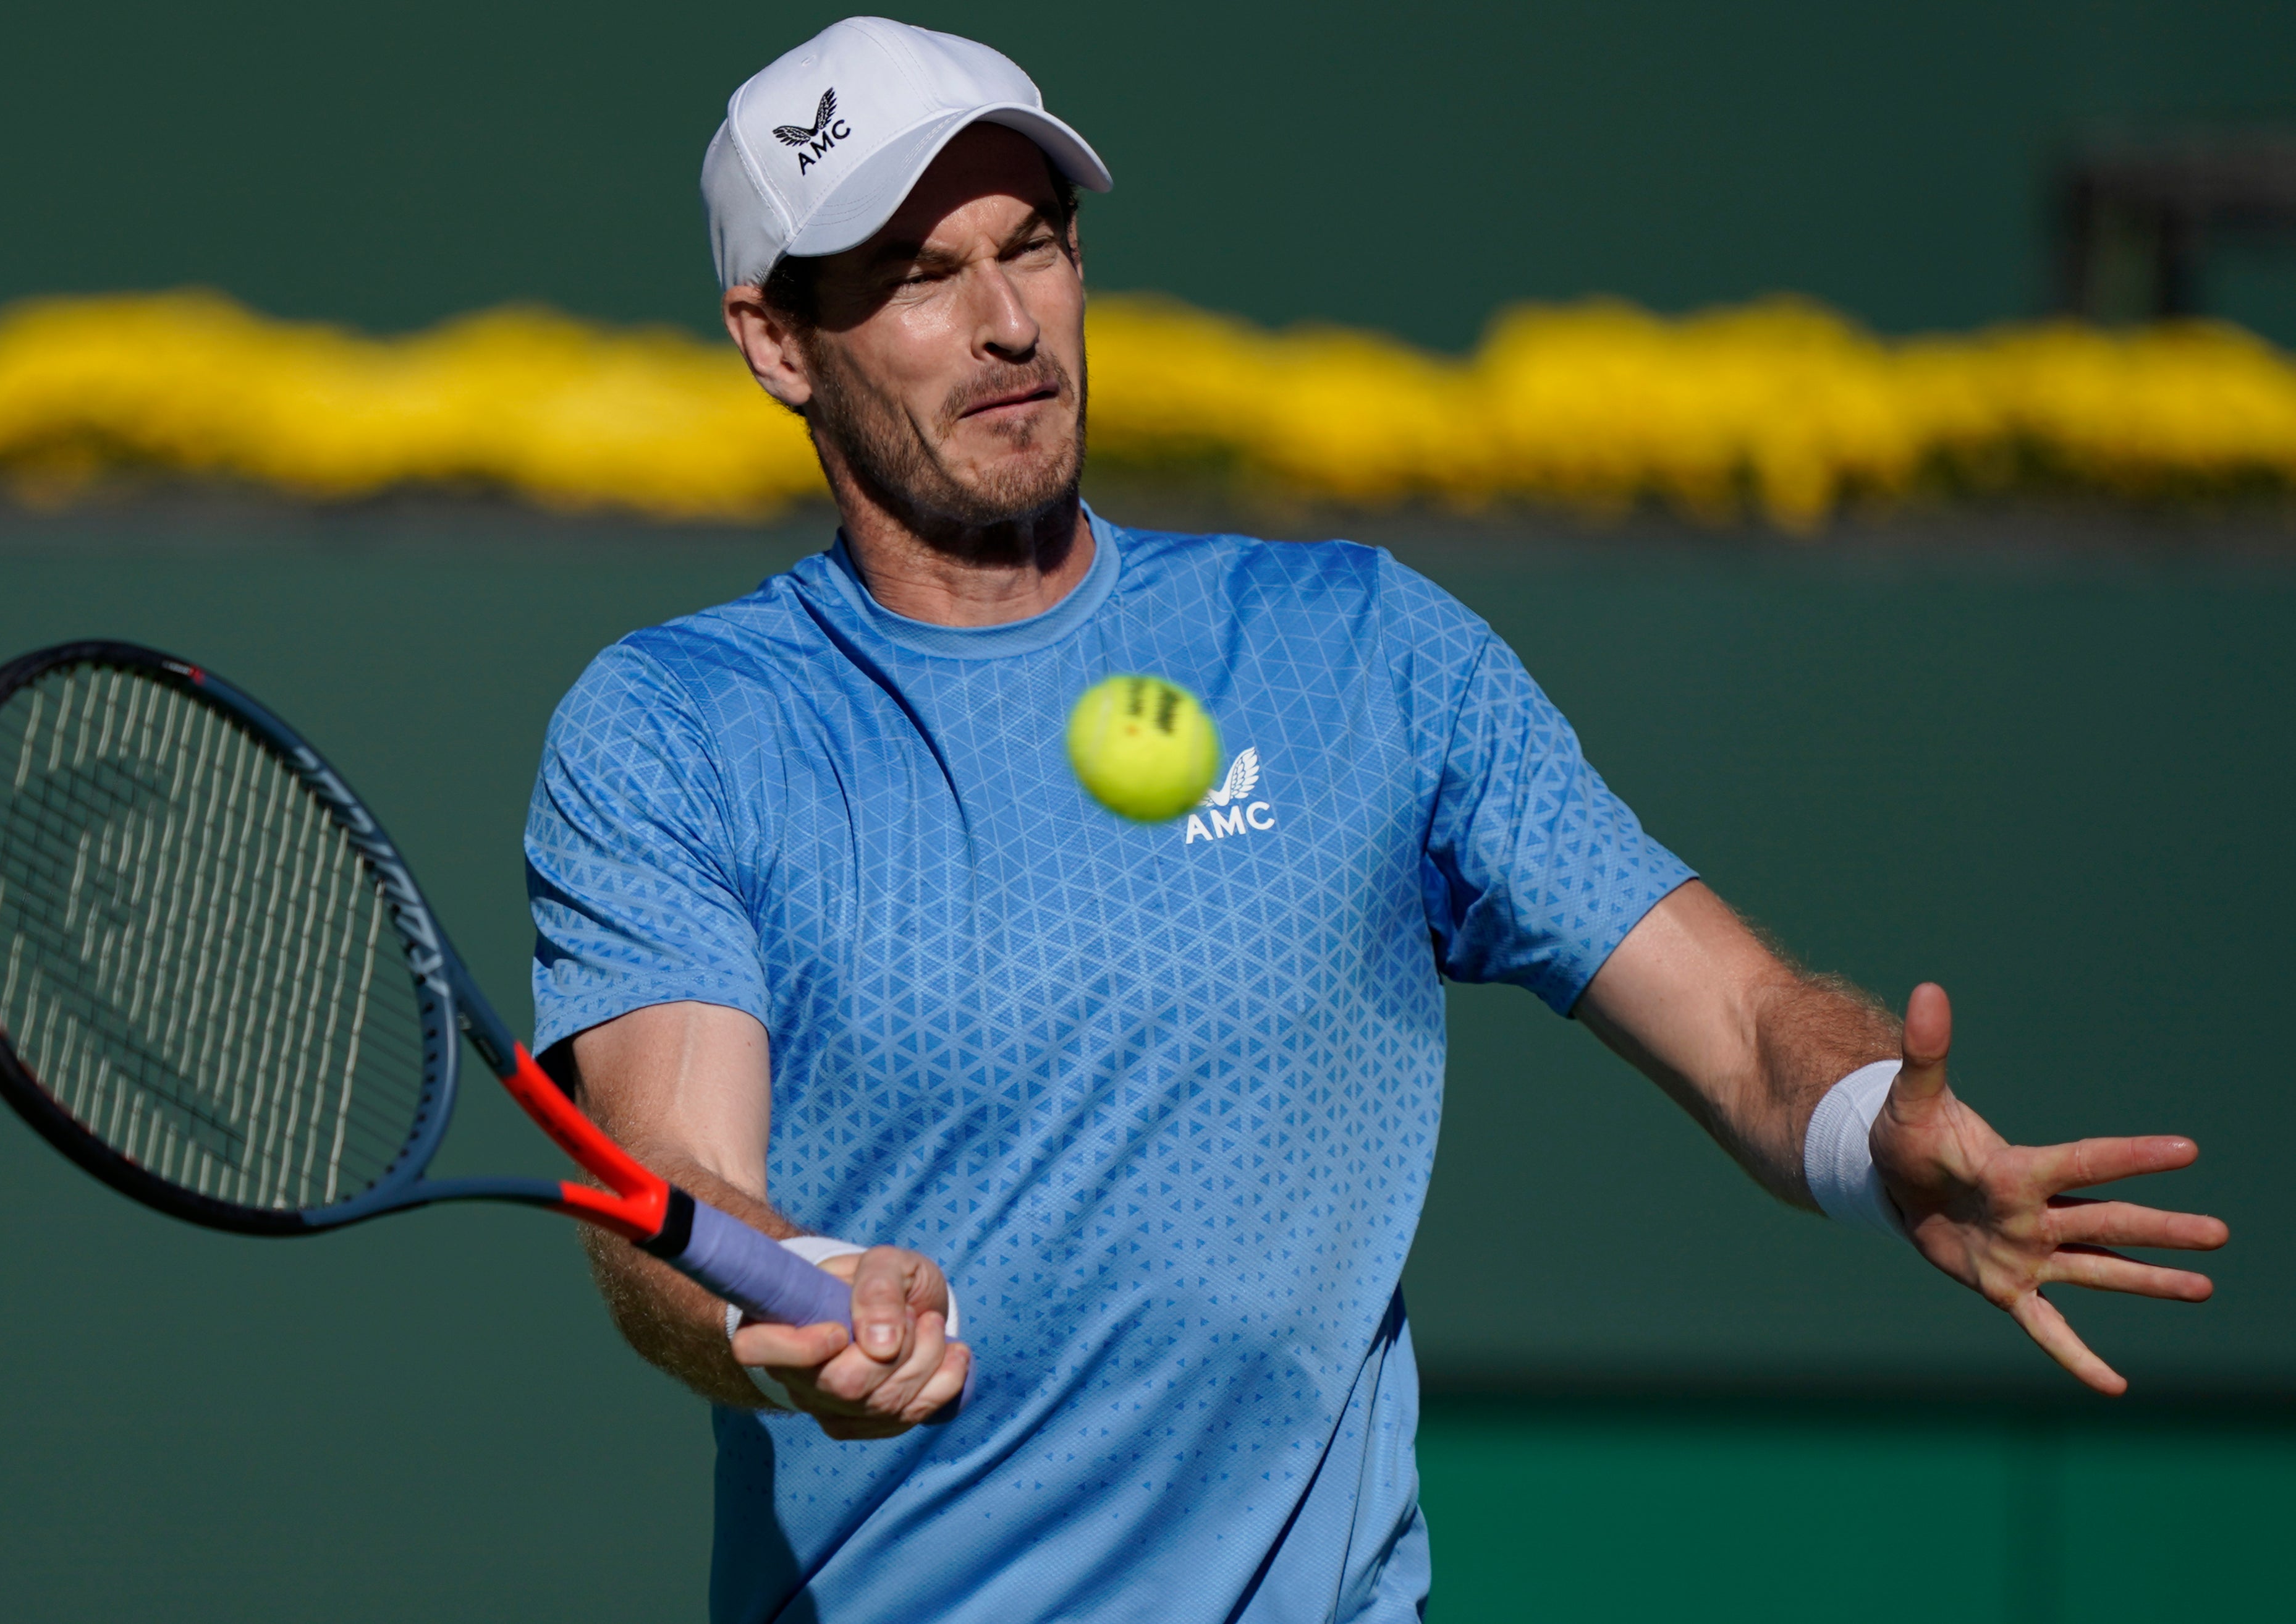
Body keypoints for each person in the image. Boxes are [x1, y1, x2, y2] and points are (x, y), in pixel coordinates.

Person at [524, 19, 2227, 1624]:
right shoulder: (681, 727)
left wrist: (1869, 1134)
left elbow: (1732, 1018)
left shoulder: (1358, 648)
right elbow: (668, 1190)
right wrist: (798, 1300)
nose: (1008, 325)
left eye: (1031, 245)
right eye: (916, 275)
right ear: (773, 341)